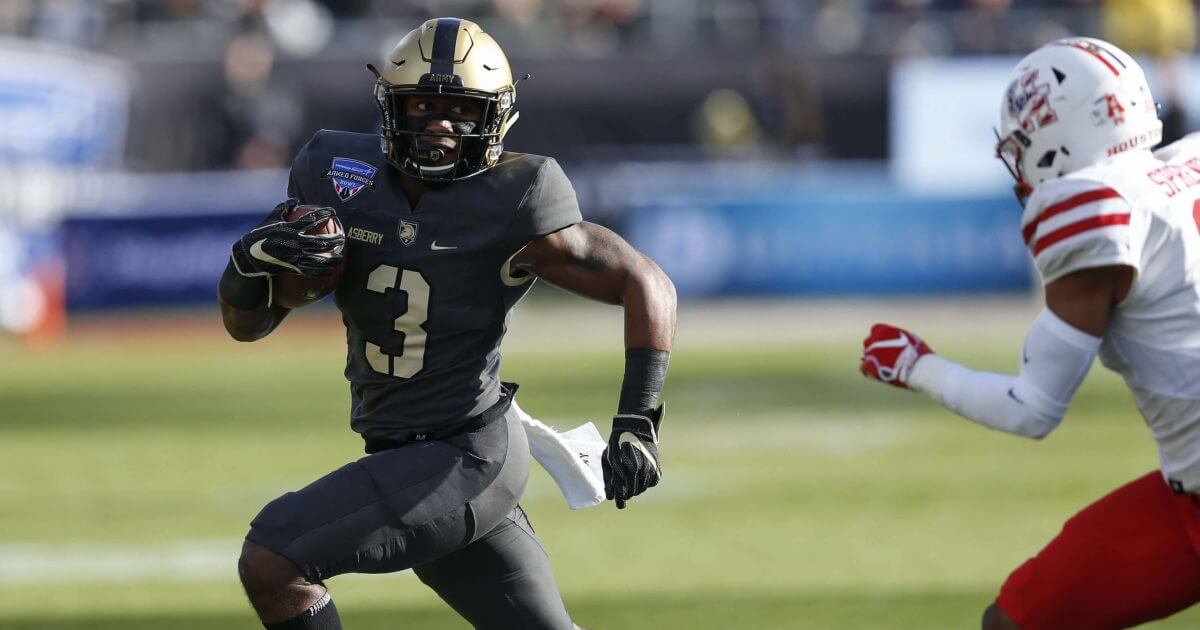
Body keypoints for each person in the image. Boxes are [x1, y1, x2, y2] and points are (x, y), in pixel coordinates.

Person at [216, 18, 676, 630]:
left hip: (466, 454)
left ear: (496, 116)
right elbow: (249, 325)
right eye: (422, 105)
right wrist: (247, 265)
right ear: (390, 108)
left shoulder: (517, 193)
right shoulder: (336, 174)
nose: (439, 124)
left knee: (274, 558)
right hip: (413, 453)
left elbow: (646, 282)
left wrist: (638, 419)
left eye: (459, 109)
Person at [860, 37, 1200, 629]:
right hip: (1188, 494)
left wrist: (918, 366)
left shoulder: (1095, 208)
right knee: (1018, 619)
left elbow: (1032, 409)